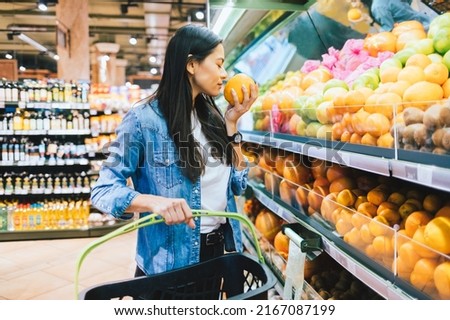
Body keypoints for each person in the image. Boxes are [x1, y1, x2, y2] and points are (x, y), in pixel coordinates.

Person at [90, 24, 258, 277]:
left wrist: (232, 125)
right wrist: (153, 202)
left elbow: (238, 184)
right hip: (169, 261)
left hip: (218, 254)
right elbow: (103, 191)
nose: (224, 73)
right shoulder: (143, 121)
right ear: (191, 65)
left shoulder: (212, 118)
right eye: (219, 63)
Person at [362, 0, 431, 32]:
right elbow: (389, 31)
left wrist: (371, 22)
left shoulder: (379, 7)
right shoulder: (379, 7)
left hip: (420, 24)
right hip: (421, 25)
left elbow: (389, 32)